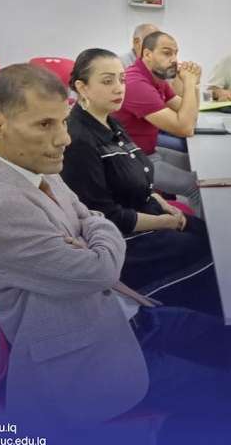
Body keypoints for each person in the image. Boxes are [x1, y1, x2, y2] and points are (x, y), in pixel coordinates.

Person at [0, 64, 231, 434]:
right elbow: (100, 269)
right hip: (85, 354)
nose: (63, 139)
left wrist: (88, 238)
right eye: (45, 124)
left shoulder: (33, 165)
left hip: (118, 317)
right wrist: (93, 241)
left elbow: (92, 215)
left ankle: (189, 428)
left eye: (62, 121)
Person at [62, 48, 221, 316]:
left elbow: (137, 172)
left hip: (143, 210)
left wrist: (158, 199)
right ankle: (208, 327)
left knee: (211, 235)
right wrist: (167, 222)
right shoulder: (79, 140)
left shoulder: (109, 121)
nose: (119, 88)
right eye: (107, 81)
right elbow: (107, 217)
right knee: (204, 251)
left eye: (121, 79)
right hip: (124, 240)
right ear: (82, 87)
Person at [113, 31, 203, 215]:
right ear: (147, 54)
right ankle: (203, 232)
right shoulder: (136, 83)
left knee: (200, 167)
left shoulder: (156, 77)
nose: (174, 60)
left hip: (148, 152)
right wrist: (189, 83)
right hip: (130, 161)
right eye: (167, 53)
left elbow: (191, 117)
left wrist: (193, 85)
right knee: (196, 187)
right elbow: (185, 128)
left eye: (176, 53)